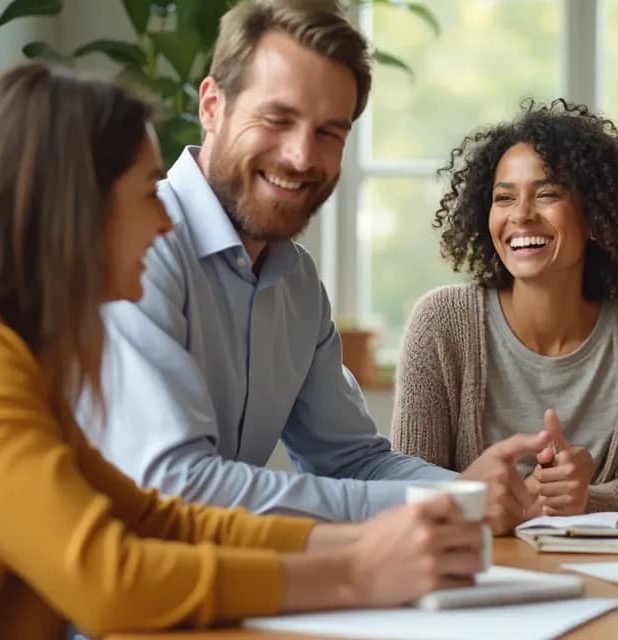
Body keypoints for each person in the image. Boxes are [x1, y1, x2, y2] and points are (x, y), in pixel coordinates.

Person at [0, 63, 484, 639]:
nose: (166, 220)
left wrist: (369, 543)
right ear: (76, 209)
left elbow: (158, 518)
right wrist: (357, 571)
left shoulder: (10, 353)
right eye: (147, 192)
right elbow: (108, 580)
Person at [77, 0, 549, 529]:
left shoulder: (295, 279)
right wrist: (440, 502)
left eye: (329, 132)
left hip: (224, 586)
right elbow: (177, 485)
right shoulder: (140, 248)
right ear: (212, 105)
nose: (302, 157)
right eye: (277, 119)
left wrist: (464, 490)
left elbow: (351, 460)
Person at [391, 99, 618, 520]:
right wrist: (499, 499)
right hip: (474, 566)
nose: (521, 216)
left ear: (596, 218)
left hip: (610, 570)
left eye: (547, 194)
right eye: (504, 198)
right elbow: (410, 485)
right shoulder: (441, 323)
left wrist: (584, 497)